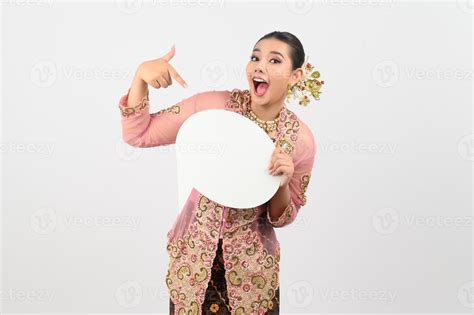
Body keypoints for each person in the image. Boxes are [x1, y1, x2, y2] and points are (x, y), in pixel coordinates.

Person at [117, 31, 322, 315]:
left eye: (275, 60)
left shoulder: (300, 140)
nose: (259, 66)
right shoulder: (212, 107)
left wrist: (282, 183)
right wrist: (140, 77)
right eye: (255, 57)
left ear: (295, 76)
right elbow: (138, 134)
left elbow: (281, 218)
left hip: (252, 276)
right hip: (192, 267)